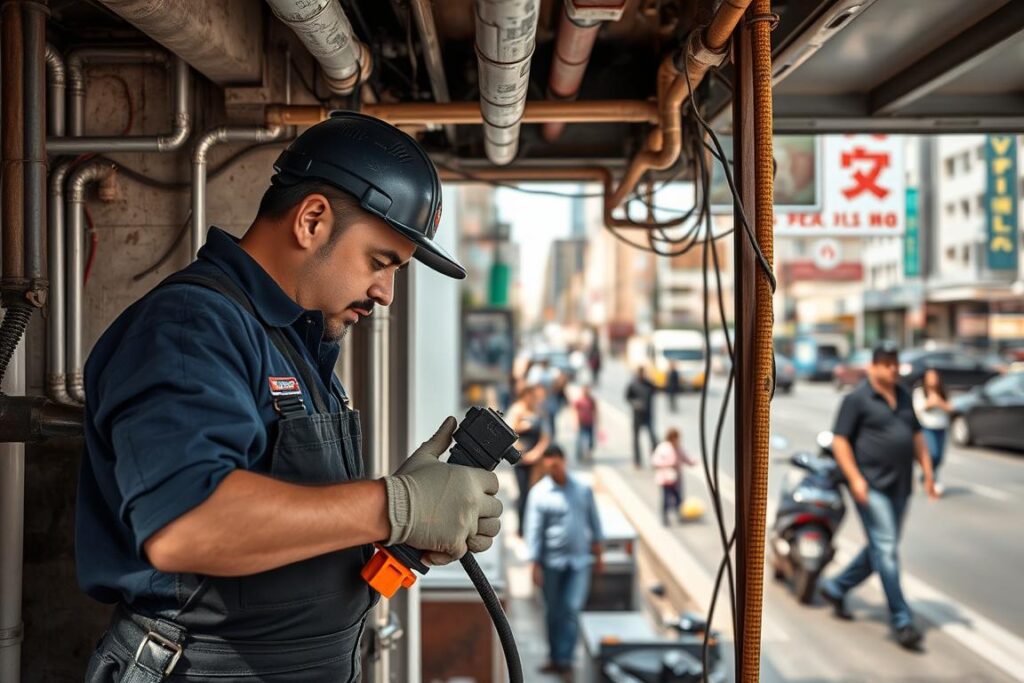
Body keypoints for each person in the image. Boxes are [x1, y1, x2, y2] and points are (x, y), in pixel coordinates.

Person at [76, 113, 503, 681]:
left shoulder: (296, 344)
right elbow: (185, 525)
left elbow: (292, 534)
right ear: (312, 220)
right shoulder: (189, 328)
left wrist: (400, 532)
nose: (386, 293)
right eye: (380, 262)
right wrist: (395, 504)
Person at [819, 342, 938, 652]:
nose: (892, 368)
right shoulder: (856, 399)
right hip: (870, 485)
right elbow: (840, 442)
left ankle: (836, 586)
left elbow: (916, 436)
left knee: (880, 548)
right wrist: (855, 479)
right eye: (886, 363)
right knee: (885, 548)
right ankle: (902, 619)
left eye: (895, 362)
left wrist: (928, 472)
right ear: (873, 366)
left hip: (900, 485)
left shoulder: (902, 396)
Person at [525, 445, 603, 679]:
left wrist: (599, 554)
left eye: (557, 465)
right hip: (551, 562)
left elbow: (594, 521)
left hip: (579, 562)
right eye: (549, 467)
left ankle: (566, 659)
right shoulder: (539, 493)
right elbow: (534, 530)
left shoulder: (582, 489)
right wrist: (534, 564)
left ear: (563, 461)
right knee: (553, 611)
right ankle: (555, 656)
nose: (554, 469)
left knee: (570, 608)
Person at [506, 384, 550, 535]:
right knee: (524, 494)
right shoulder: (517, 410)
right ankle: (522, 528)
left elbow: (545, 436)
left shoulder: (538, 412)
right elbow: (509, 432)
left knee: (538, 493)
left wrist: (537, 453)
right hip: (522, 459)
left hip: (537, 460)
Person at [913, 368, 951, 495]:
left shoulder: (942, 392)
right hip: (926, 427)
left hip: (941, 427)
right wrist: (930, 403)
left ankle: (927, 476)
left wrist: (939, 402)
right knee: (932, 454)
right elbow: (918, 409)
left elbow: (950, 408)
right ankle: (931, 478)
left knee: (939, 457)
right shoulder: (919, 392)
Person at [650, 427, 696, 526]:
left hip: (676, 478)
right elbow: (655, 461)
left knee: (679, 498)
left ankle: (679, 515)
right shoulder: (663, 448)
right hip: (665, 479)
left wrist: (692, 462)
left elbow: (685, 458)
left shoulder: (679, 448)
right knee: (666, 499)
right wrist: (669, 464)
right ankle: (664, 517)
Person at [625, 367, 657, 468]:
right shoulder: (633, 385)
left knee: (653, 439)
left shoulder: (649, 384)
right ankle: (637, 461)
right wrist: (635, 404)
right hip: (637, 416)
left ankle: (655, 460)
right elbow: (627, 398)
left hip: (648, 415)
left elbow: (657, 389)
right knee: (636, 440)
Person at [572, 384, 598, 462]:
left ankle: (589, 452)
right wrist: (576, 423)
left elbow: (595, 411)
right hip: (581, 423)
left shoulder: (591, 400)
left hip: (590, 422)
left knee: (590, 439)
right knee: (579, 439)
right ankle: (579, 455)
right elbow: (575, 412)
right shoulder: (578, 401)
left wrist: (596, 421)